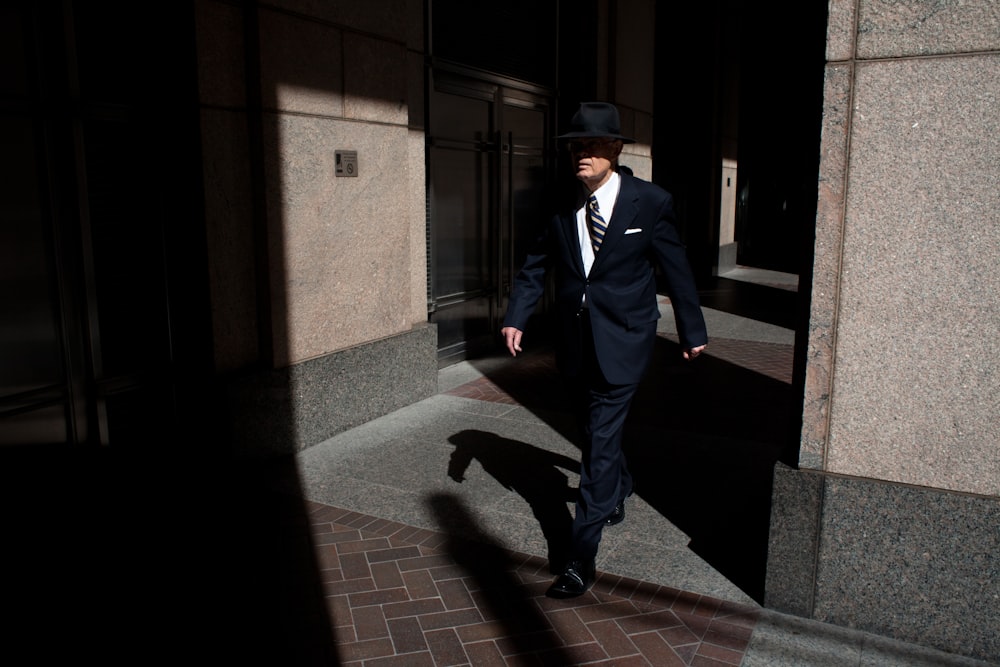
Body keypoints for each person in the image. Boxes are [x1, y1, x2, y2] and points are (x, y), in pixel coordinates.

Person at [500, 102, 708, 598]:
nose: (581, 154)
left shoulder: (650, 202)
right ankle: (618, 484)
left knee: (598, 445)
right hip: (573, 343)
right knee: (594, 431)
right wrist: (516, 317)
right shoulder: (559, 203)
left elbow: (675, 269)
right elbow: (535, 266)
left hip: (626, 339)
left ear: (615, 149)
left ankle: (579, 556)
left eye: (591, 145)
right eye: (576, 146)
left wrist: (691, 328)